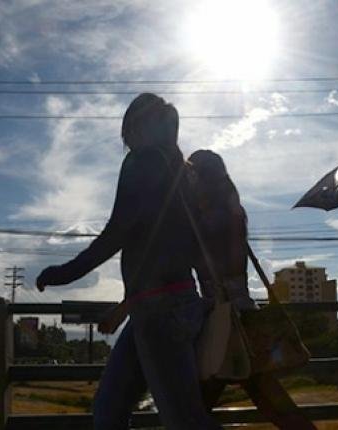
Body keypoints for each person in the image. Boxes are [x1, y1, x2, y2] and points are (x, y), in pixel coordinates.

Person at [35, 93, 221, 430]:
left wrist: (65, 273)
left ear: (137, 126)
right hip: (162, 306)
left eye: (127, 131)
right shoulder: (181, 172)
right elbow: (183, 247)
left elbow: (118, 230)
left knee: (182, 421)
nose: (126, 140)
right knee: (109, 411)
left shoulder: (143, 161)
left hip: (159, 312)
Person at [188, 149, 317, 430]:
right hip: (232, 317)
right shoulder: (223, 212)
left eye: (191, 172)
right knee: (269, 402)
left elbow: (233, 266)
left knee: (198, 409)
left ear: (201, 177)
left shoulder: (217, 217)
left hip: (230, 319)